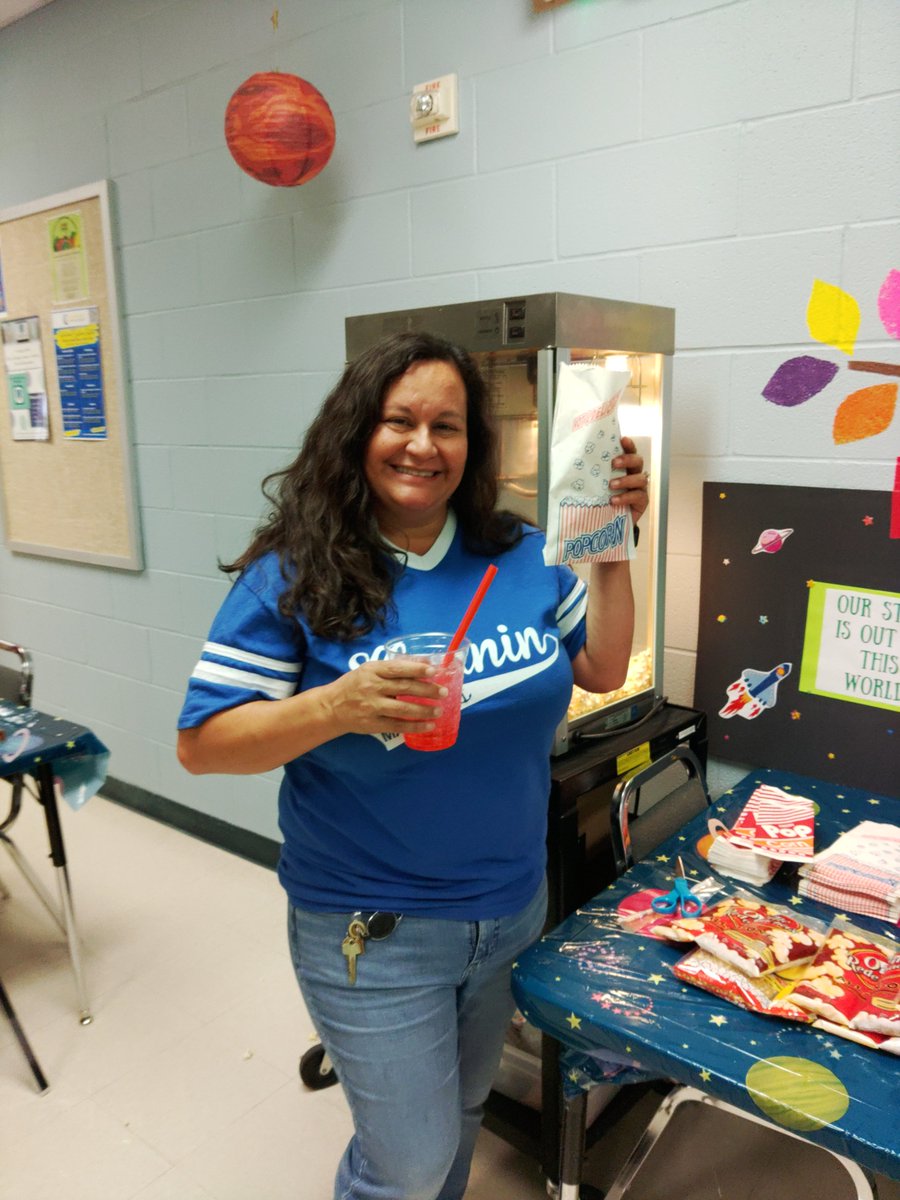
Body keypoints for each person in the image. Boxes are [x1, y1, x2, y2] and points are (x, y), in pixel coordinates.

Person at [177, 331, 649, 1200]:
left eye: (449, 425)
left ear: (473, 445)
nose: (424, 445)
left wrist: (614, 550)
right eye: (400, 421)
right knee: (408, 1161)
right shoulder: (294, 573)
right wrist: (336, 706)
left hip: (511, 907)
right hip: (373, 928)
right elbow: (201, 745)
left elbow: (605, 668)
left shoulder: (521, 553)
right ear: (358, 431)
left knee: (465, 1110)